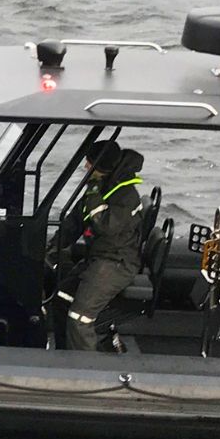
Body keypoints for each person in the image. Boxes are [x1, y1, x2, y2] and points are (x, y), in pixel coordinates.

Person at [57, 140, 147, 351]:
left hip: (116, 262)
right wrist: (52, 246)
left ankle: (86, 371)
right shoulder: (100, 189)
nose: (86, 167)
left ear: (101, 165)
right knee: (61, 298)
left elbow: (105, 226)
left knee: (80, 317)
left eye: (90, 162)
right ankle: (62, 357)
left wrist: (94, 195)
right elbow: (76, 221)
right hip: (99, 257)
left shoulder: (126, 196)